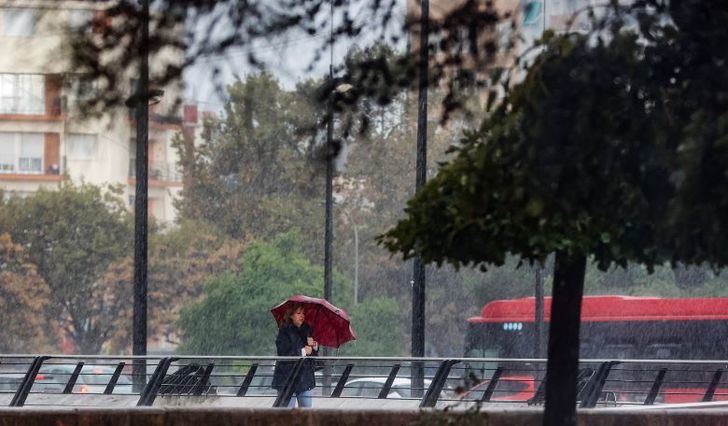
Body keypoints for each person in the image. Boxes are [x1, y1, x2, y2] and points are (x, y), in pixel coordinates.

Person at [272, 303, 319, 407]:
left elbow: (312, 356)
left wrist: (315, 347)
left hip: (305, 379)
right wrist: (302, 351)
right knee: (287, 414)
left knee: (306, 414)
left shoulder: (307, 329)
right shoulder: (284, 331)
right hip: (287, 379)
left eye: (303, 313)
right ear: (291, 315)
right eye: (298, 313)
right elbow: (283, 353)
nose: (302, 315)